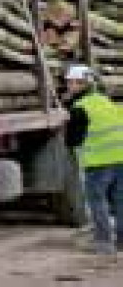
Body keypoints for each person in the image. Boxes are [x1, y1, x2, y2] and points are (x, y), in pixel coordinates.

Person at [64, 64, 123, 255]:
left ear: (78, 84)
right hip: (120, 159)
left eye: (70, 83)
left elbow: (72, 141)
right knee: (119, 201)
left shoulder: (80, 108)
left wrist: (66, 123)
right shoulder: (106, 101)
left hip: (98, 163)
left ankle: (104, 243)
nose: (68, 86)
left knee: (98, 202)